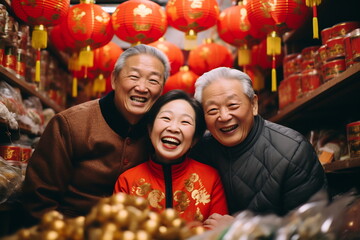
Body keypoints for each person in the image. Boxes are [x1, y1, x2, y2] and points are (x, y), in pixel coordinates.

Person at [20, 44, 171, 222]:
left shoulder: (160, 131)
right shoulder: (70, 123)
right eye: (134, 76)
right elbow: (39, 198)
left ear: (161, 90)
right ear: (114, 79)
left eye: (153, 81)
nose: (142, 87)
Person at [189, 67, 328, 228]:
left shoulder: (292, 151)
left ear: (254, 104)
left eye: (233, 105)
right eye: (212, 110)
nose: (224, 116)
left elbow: (312, 228)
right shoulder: (199, 151)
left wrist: (244, 230)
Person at [114, 90, 228, 224]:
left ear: (195, 139)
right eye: (166, 118)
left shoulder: (211, 178)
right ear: (150, 129)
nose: (173, 128)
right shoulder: (127, 181)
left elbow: (218, 232)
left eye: (185, 122)